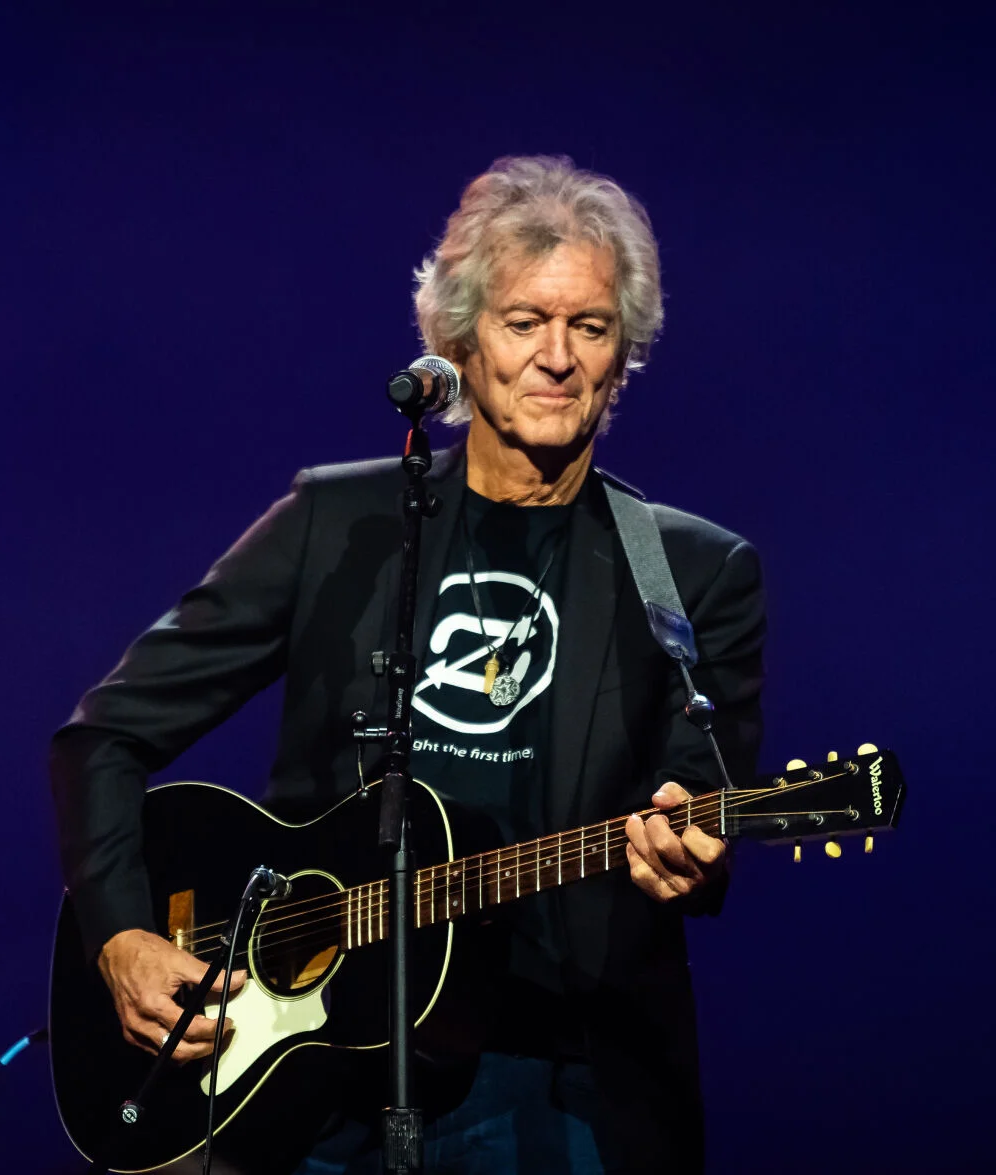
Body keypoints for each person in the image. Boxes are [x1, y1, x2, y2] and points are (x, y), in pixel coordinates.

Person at [50, 155, 766, 1174]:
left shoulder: (694, 571)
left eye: (590, 327)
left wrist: (690, 848)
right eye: (524, 322)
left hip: (559, 1083)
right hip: (308, 1078)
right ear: (459, 342)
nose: (557, 357)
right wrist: (121, 934)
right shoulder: (338, 524)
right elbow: (104, 738)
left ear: (623, 353)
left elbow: (699, 805)